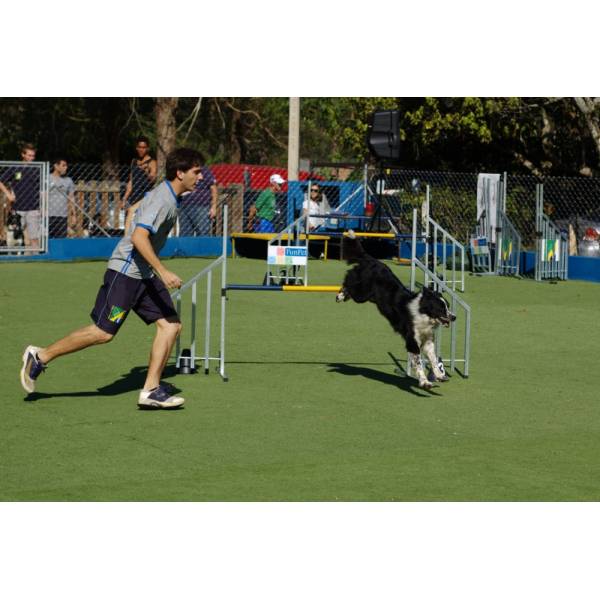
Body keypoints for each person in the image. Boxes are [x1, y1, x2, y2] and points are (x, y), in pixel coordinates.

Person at [20, 147, 204, 410]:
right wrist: (162, 270)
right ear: (180, 173)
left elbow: (133, 210)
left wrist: (141, 254)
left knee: (171, 325)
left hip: (144, 275)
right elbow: (139, 237)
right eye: (196, 172)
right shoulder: (164, 200)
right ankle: (39, 356)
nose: (200, 177)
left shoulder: (167, 195)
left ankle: (151, 390)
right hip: (126, 275)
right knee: (103, 333)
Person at [0, 143, 41, 253]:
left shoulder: (37, 169)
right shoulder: (15, 167)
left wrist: (42, 206)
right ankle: (13, 259)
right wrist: (8, 194)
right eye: (29, 155)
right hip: (17, 209)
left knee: (34, 237)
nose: (31, 158)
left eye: (33, 156)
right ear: (23, 155)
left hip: (33, 208)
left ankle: (36, 260)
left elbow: (42, 189)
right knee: (14, 237)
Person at [121, 136, 157, 231]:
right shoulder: (133, 161)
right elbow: (131, 181)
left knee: (141, 227)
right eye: (139, 147)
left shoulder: (152, 162)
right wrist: (125, 198)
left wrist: (146, 171)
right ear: (136, 148)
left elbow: (153, 179)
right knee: (128, 226)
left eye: (144, 147)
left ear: (147, 148)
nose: (141, 150)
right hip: (133, 197)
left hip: (144, 198)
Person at [178, 156, 218, 236]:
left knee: (203, 232)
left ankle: (203, 248)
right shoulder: (185, 171)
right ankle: (185, 249)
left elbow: (213, 188)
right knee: (185, 233)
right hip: (184, 205)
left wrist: (213, 207)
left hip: (201, 206)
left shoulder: (204, 171)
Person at [48, 158, 76, 238]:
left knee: (61, 241)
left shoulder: (68, 181)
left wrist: (73, 215)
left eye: (66, 165)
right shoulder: (47, 178)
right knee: (47, 241)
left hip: (62, 216)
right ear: (56, 166)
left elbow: (71, 198)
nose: (66, 167)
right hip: (48, 215)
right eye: (63, 165)